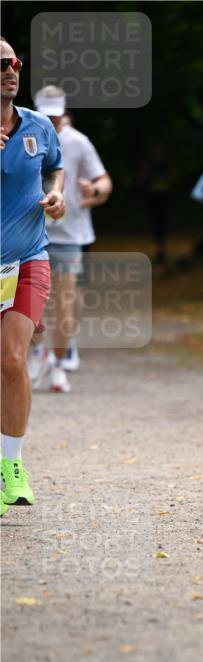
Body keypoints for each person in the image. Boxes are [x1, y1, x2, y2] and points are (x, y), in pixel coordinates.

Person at [1, 37, 65, 516]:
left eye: (15, 62)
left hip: (27, 259)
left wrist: (57, 195)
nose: (11, 70)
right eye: (3, 64)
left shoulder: (38, 125)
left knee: (11, 358)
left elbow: (55, 168)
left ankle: (11, 466)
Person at [30, 86, 112, 393]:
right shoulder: (24, 132)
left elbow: (104, 180)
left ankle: (60, 363)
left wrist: (95, 191)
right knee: (32, 305)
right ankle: (39, 351)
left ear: (64, 112)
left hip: (69, 234)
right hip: (30, 233)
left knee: (65, 300)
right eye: (45, 115)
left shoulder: (78, 142)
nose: (51, 121)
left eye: (55, 115)